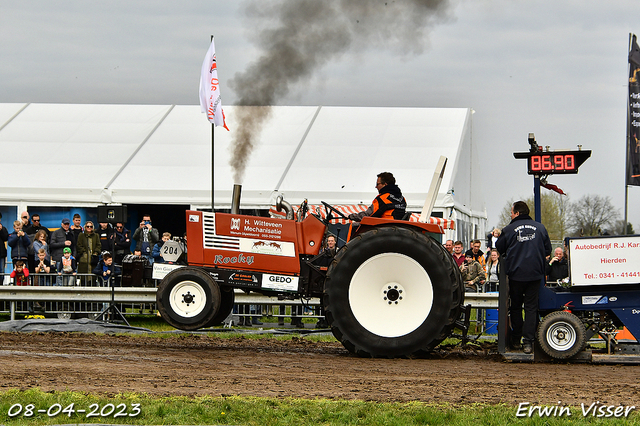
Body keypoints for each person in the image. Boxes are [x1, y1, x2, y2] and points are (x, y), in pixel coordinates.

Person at [496, 200, 551, 354]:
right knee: (531, 308)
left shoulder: (509, 229)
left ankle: (515, 340)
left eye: (512, 213)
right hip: (535, 275)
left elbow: (499, 247)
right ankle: (528, 343)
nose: (511, 215)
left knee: (515, 307)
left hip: (516, 275)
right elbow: (548, 249)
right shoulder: (540, 228)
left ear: (517, 213)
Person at [0, 212, 9, 279]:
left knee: (1, 270)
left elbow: (6, 238)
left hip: (1, 253)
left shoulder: (3, 229)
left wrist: (1, 230)